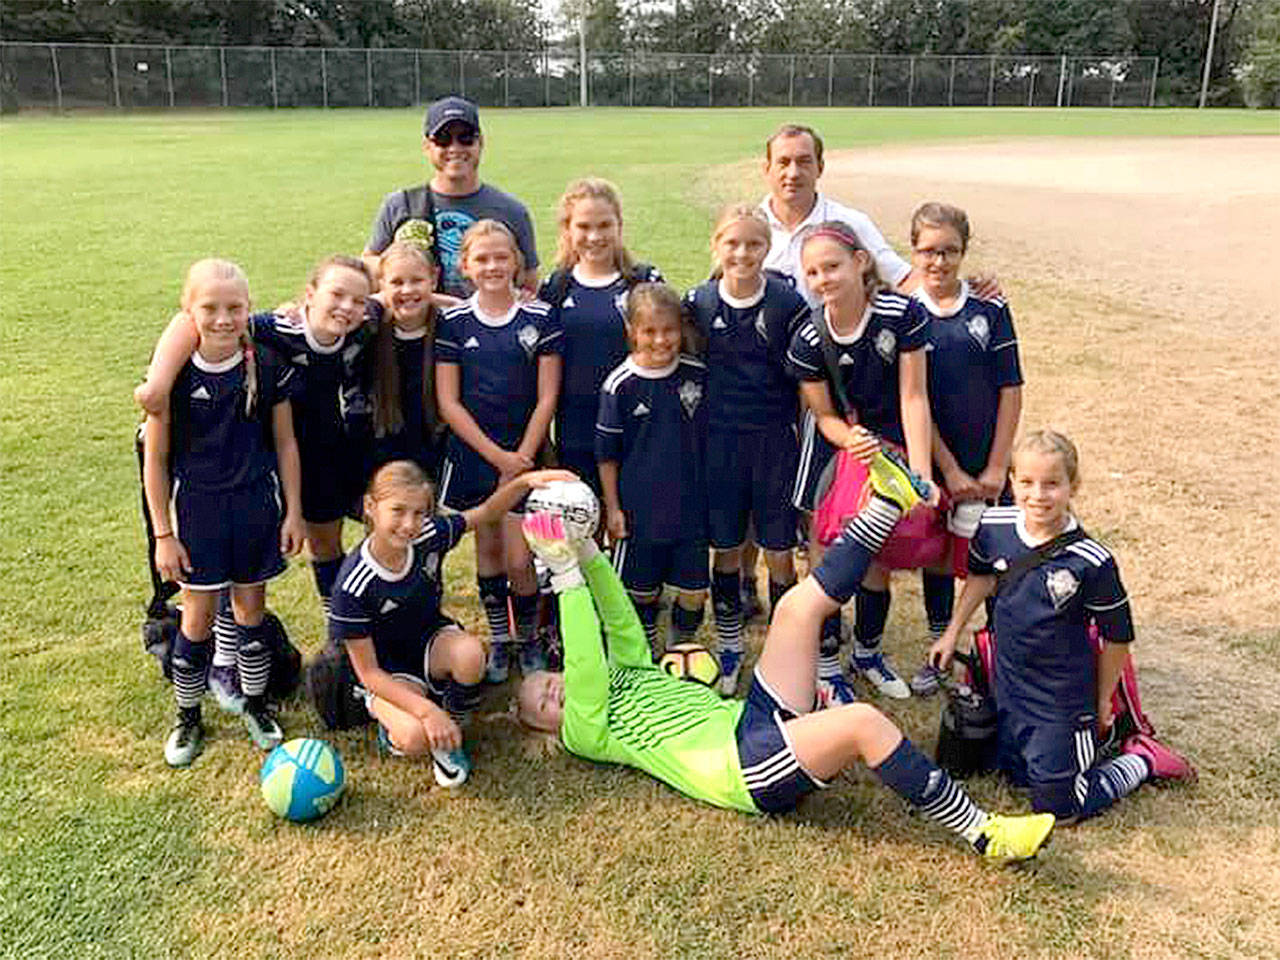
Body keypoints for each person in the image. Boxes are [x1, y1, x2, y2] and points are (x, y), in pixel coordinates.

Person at [514, 458, 1055, 863]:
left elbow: (619, 624)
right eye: (539, 702)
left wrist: (587, 553)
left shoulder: (627, 670)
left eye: (545, 681)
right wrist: (564, 576)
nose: (551, 691)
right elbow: (585, 666)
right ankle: (986, 833)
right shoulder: (587, 729)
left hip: (754, 723)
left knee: (795, 608)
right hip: (745, 770)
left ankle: (888, 501)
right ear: (543, 727)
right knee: (864, 722)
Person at [930, 430, 1195, 823]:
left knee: (1059, 809)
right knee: (1011, 776)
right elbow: (981, 578)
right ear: (1012, 482)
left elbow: (1117, 637)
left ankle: (1140, 760)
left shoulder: (1091, 560)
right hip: (1006, 681)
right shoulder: (994, 525)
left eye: (1052, 483)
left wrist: (1103, 699)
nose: (1038, 495)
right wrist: (952, 633)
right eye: (1026, 483)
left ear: (1074, 486)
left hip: (1060, 697)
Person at [137, 256, 375, 625]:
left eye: (359, 300)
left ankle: (339, 633)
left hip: (324, 453)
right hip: (257, 455)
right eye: (337, 294)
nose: (347, 306)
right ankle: (218, 647)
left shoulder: (364, 326)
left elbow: (399, 298)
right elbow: (189, 320)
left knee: (325, 544)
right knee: (236, 566)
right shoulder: (272, 327)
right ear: (310, 295)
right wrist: (158, 382)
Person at [141, 259, 305, 766]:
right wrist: (165, 535)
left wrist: (292, 511)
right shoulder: (175, 378)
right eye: (209, 308)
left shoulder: (265, 366)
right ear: (188, 312)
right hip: (199, 511)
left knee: (250, 614)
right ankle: (188, 716)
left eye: (234, 308)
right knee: (198, 619)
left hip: (256, 507)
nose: (222, 319)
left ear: (248, 309)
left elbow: (285, 443)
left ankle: (255, 705)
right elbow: (157, 459)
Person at [329, 460, 573, 787]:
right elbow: (369, 672)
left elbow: (486, 513)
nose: (409, 524)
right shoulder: (353, 584)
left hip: (431, 643)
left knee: (471, 655)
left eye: (419, 513)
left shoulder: (428, 536)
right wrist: (427, 713)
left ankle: (450, 730)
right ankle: (388, 713)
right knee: (415, 738)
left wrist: (526, 482)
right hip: (387, 671)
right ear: (371, 507)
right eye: (398, 511)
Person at [784, 221, 935, 703]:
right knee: (826, 551)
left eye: (832, 266)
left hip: (891, 440)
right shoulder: (808, 335)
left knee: (876, 557)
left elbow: (914, 396)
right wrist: (850, 440)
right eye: (812, 272)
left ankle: (867, 652)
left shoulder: (900, 314)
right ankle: (826, 664)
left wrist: (922, 473)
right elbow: (822, 413)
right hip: (835, 442)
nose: (823, 278)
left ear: (861, 262)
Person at [683, 205, 810, 694]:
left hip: (774, 442)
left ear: (767, 248)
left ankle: (784, 646)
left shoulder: (784, 302)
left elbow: (802, 378)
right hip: (720, 444)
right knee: (728, 549)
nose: (742, 253)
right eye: (732, 243)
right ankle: (732, 646)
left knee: (780, 551)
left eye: (753, 244)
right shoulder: (699, 302)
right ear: (717, 246)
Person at [902, 203, 1023, 696]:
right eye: (928, 251)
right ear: (913, 251)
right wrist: (946, 468)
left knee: (997, 557)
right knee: (937, 555)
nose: (939, 262)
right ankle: (939, 648)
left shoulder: (989, 308)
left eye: (949, 251)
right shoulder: (904, 311)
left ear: (964, 252)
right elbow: (913, 397)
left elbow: (1010, 388)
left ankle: (999, 649)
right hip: (936, 460)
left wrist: (997, 463)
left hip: (985, 459)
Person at [435, 220, 562, 682]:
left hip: (526, 458)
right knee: (487, 551)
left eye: (501, 256)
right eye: (482, 258)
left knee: (519, 558)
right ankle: (499, 640)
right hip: (475, 458)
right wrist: (497, 458)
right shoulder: (452, 323)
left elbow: (547, 396)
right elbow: (448, 402)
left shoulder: (540, 318)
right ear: (465, 266)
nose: (492, 266)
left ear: (517, 263)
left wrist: (522, 460)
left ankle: (528, 637)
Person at [596, 283, 708, 654]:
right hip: (638, 510)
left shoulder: (696, 373)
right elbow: (607, 455)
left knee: (693, 592)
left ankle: (681, 650)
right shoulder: (620, 385)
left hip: (690, 507)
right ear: (631, 331)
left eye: (669, 330)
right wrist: (613, 509)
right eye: (649, 331)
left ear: (681, 329)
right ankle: (643, 653)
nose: (661, 340)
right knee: (640, 592)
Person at [540, 177, 663, 494]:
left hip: (636, 425)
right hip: (576, 431)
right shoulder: (556, 287)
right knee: (581, 532)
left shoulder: (643, 281)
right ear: (568, 229)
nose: (594, 236)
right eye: (583, 226)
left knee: (630, 526)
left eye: (604, 225)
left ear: (619, 226)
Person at [364, 95, 538, 299]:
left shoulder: (512, 210)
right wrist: (404, 264)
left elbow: (529, 281)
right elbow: (369, 264)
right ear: (427, 146)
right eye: (443, 139)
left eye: (465, 138)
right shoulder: (400, 205)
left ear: (480, 143)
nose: (455, 148)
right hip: (422, 327)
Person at [363, 241, 448, 484]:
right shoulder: (369, 328)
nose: (407, 290)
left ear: (434, 279)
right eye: (397, 282)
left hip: (436, 447)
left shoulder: (449, 328)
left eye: (417, 280)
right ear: (381, 285)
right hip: (380, 451)